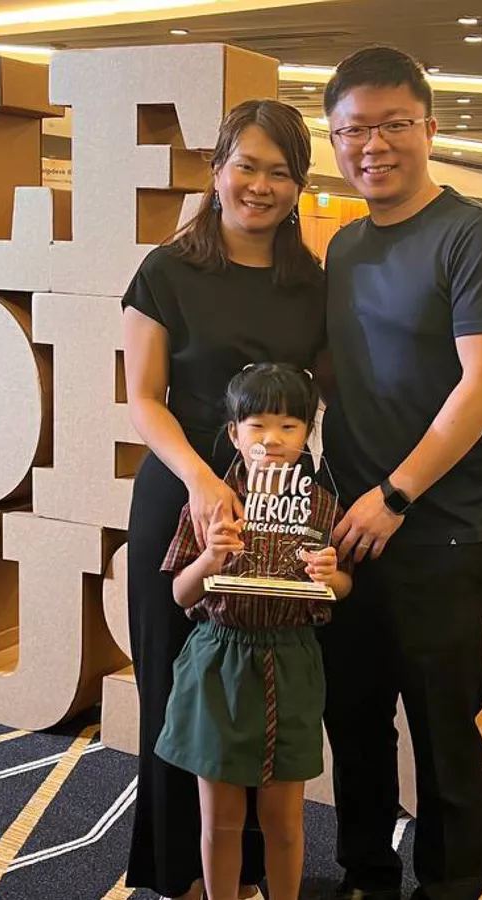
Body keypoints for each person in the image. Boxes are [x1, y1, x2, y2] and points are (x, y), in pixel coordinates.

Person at [316, 46, 482, 900]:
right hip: (347, 528)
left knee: (445, 736)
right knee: (353, 721)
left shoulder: (475, 235)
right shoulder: (344, 246)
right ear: (335, 140)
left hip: (438, 533)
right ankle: (367, 874)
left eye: (393, 124)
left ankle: (448, 887)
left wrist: (397, 493)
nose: (373, 145)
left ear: (430, 128)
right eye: (353, 130)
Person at [121, 100, 326, 900]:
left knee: (263, 678)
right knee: (175, 687)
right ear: (216, 170)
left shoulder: (309, 282)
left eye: (280, 172)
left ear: (299, 186)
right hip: (180, 495)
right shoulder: (167, 270)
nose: (260, 185)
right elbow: (144, 398)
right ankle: (180, 869)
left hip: (278, 504)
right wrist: (202, 481)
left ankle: (257, 871)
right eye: (246, 165)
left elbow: (333, 395)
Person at [156, 362, 354, 900]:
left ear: (307, 434)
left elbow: (342, 588)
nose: (273, 438)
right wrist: (210, 559)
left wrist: (330, 575)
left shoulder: (320, 504)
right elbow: (180, 594)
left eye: (289, 425)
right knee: (220, 819)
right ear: (234, 434)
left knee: (284, 820)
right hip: (218, 660)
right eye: (258, 425)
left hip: (291, 661)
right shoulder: (213, 502)